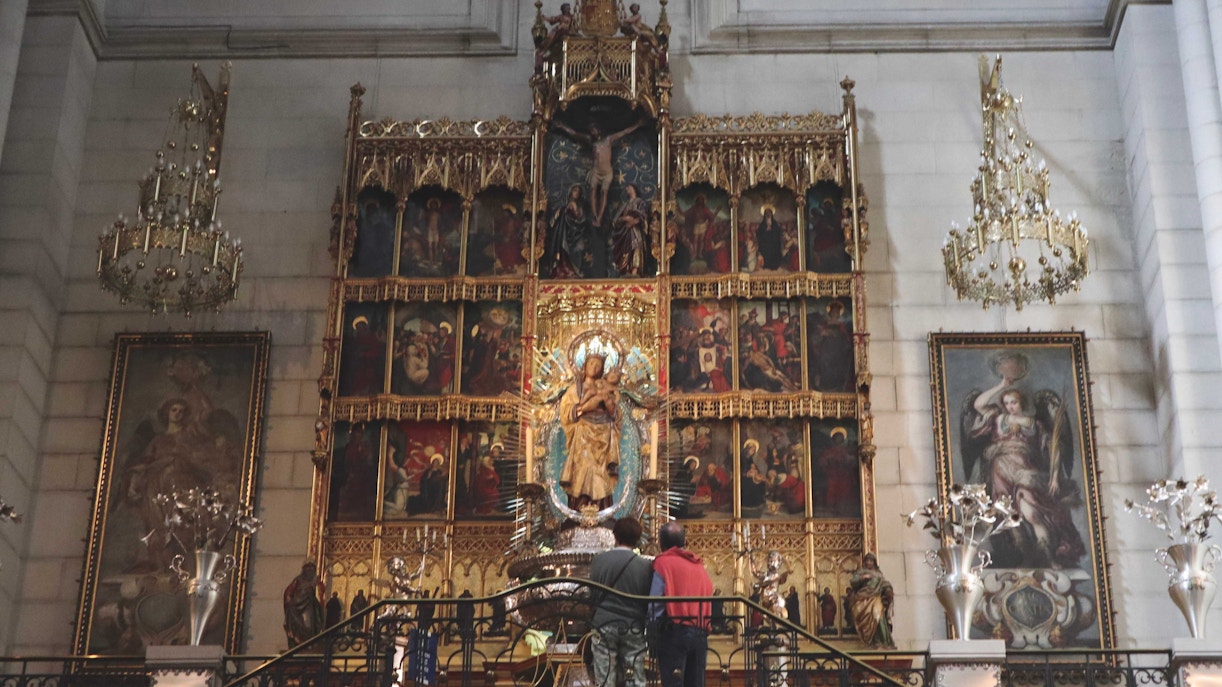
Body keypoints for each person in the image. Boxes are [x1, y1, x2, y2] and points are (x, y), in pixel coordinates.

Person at [966, 371, 1085, 569]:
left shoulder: (1035, 425)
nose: (1011, 406)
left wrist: (1055, 477)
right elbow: (978, 405)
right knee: (1007, 517)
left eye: (1014, 402)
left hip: (1026, 471)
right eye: (1007, 403)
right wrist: (1001, 385)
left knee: (1032, 514)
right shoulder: (998, 419)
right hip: (1001, 471)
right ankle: (1024, 558)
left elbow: (1054, 451)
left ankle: (1047, 558)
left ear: (1022, 403)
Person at [589, 517, 654, 687]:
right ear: (638, 539)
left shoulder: (599, 561)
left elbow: (593, 595)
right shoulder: (644, 566)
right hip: (632, 625)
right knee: (635, 676)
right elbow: (646, 598)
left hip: (604, 624)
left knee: (604, 678)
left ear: (615, 536)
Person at [650, 522, 713, 687]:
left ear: (661, 543)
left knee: (673, 682)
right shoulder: (699, 566)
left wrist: (650, 630)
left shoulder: (663, 563)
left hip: (674, 632)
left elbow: (655, 602)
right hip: (700, 633)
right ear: (684, 542)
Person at [553, 118, 647, 226]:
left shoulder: (608, 139)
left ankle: (600, 217)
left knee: (603, 193)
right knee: (592, 191)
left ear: (598, 129)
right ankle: (594, 214)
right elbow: (575, 134)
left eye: (594, 129)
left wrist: (638, 124)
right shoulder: (591, 140)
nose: (592, 132)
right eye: (591, 130)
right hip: (596, 171)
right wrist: (562, 126)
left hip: (607, 172)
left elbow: (624, 132)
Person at [559, 354, 620, 508]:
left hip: (603, 434)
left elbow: (616, 414)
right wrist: (582, 408)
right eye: (591, 363)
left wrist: (606, 402)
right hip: (583, 434)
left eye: (598, 365)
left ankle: (601, 509)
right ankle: (579, 508)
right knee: (581, 471)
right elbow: (566, 411)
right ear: (584, 366)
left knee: (600, 473)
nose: (594, 367)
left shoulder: (606, 388)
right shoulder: (575, 390)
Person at [847, 553, 894, 649]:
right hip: (863, 598)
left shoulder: (878, 574)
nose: (869, 562)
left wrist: (888, 589)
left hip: (876, 597)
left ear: (874, 562)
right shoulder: (861, 572)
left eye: (871, 561)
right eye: (867, 561)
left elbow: (884, 584)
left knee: (878, 616)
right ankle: (873, 641)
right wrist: (862, 578)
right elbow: (853, 582)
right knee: (869, 617)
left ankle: (884, 642)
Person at [284, 561, 326, 646]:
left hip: (308, 604)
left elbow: (321, 589)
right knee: (295, 625)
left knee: (308, 625)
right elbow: (290, 589)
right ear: (304, 569)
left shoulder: (315, 579)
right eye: (307, 567)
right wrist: (288, 596)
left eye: (311, 567)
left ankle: (308, 644)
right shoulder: (298, 579)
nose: (309, 569)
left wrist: (318, 588)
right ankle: (298, 641)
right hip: (296, 605)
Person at [611, 183, 650, 276]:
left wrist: (635, 221)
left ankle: (635, 270)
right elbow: (616, 220)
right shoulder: (625, 205)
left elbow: (644, 215)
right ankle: (626, 269)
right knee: (626, 249)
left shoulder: (640, 202)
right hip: (626, 231)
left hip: (636, 231)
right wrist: (625, 219)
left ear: (634, 189)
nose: (627, 189)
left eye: (629, 187)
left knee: (637, 247)